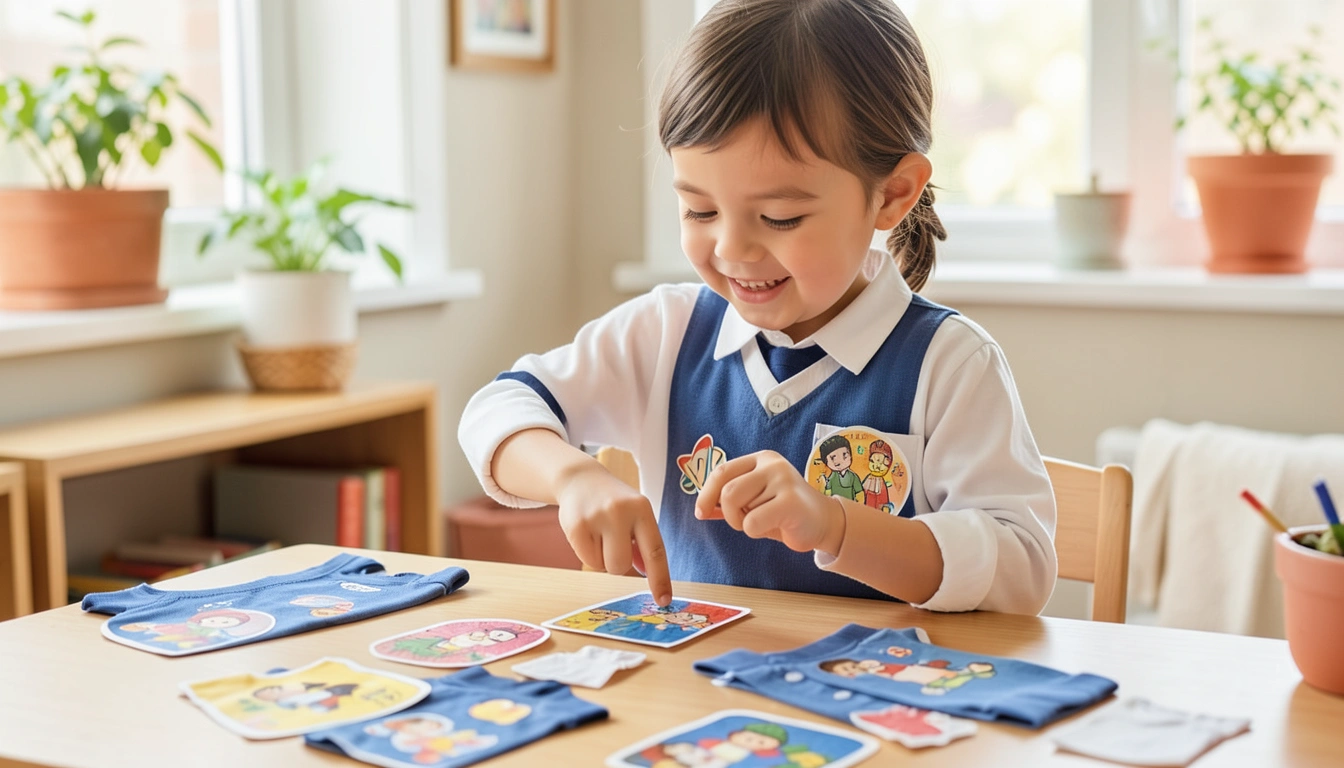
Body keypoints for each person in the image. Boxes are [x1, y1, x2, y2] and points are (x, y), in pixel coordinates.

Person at [458, 0, 1056, 614]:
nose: (732, 248)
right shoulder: (667, 332)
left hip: (870, 698)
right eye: (700, 210)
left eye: (779, 217)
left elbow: (1023, 569)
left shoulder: (949, 364)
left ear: (891, 195)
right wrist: (571, 476)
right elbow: (497, 408)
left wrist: (837, 526)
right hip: (692, 695)